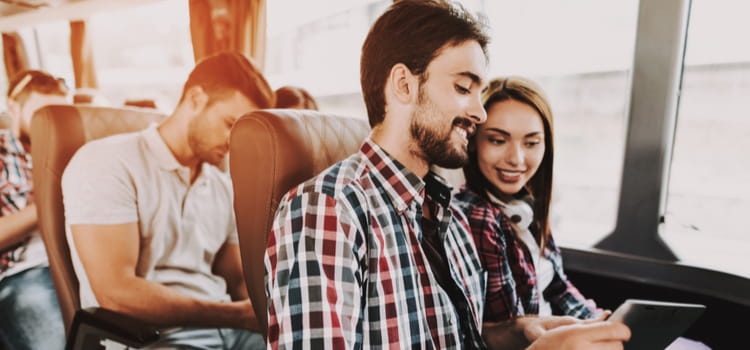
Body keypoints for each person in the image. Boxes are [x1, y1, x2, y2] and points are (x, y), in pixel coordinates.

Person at [265, 1, 629, 349]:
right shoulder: (327, 209)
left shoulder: (447, 212)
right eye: (462, 88)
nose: (480, 113)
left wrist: (519, 332)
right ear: (404, 85)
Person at [62, 52, 274, 349]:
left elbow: (238, 280)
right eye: (229, 124)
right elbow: (116, 293)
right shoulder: (107, 163)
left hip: (230, 330)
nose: (234, 141)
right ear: (196, 99)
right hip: (150, 338)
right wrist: (234, 316)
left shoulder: (223, 185)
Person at [0, 70, 69, 350]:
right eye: (44, 115)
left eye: (62, 115)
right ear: (13, 108)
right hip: (25, 271)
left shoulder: (74, 148)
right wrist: (50, 203)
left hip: (85, 263)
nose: (55, 124)